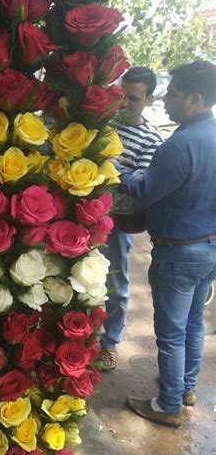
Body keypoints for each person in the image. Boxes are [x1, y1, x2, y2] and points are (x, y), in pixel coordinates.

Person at [118, 60, 216, 427]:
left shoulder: (182, 143)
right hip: (208, 246)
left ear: (195, 98)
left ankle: (168, 404)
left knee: (171, 332)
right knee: (193, 323)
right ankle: (186, 387)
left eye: (172, 95)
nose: (166, 101)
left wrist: (116, 170)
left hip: (179, 250)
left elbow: (146, 189)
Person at [99, 67, 163, 371]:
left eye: (133, 98)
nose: (124, 103)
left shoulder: (152, 139)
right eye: (121, 94)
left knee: (115, 282)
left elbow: (140, 190)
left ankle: (109, 343)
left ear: (149, 100)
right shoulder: (102, 123)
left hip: (116, 223)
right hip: (83, 216)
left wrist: (107, 172)